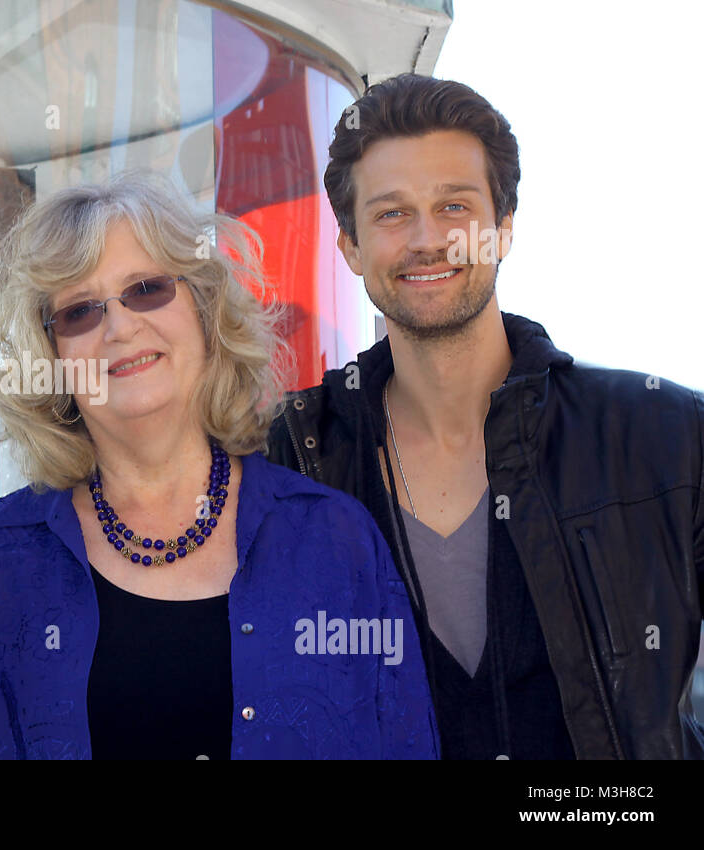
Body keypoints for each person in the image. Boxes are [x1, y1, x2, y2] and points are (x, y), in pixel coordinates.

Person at [0, 172, 438, 759]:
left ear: (204, 311)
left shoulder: (336, 541)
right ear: (54, 359)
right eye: (79, 312)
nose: (119, 327)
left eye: (146, 289)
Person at [268, 74, 704, 759]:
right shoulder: (295, 460)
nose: (426, 239)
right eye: (390, 213)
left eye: (454, 206)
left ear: (503, 229)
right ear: (350, 248)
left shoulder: (664, 437)